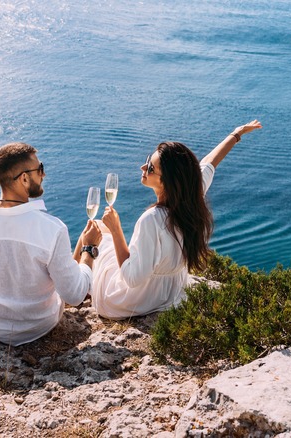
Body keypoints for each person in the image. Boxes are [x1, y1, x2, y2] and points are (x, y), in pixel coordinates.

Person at [90, 120, 262, 319]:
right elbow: (209, 163)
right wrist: (237, 133)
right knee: (102, 233)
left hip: (131, 301)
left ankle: (72, 290)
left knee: (99, 233)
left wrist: (116, 230)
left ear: (168, 181)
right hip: (170, 295)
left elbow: (131, 278)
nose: (142, 167)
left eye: (151, 168)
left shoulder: (151, 220)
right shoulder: (192, 198)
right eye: (148, 160)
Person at [0, 142, 102, 350]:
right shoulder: (51, 229)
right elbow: (74, 295)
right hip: (39, 328)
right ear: (24, 178)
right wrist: (88, 249)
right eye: (40, 169)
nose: (43, 175)